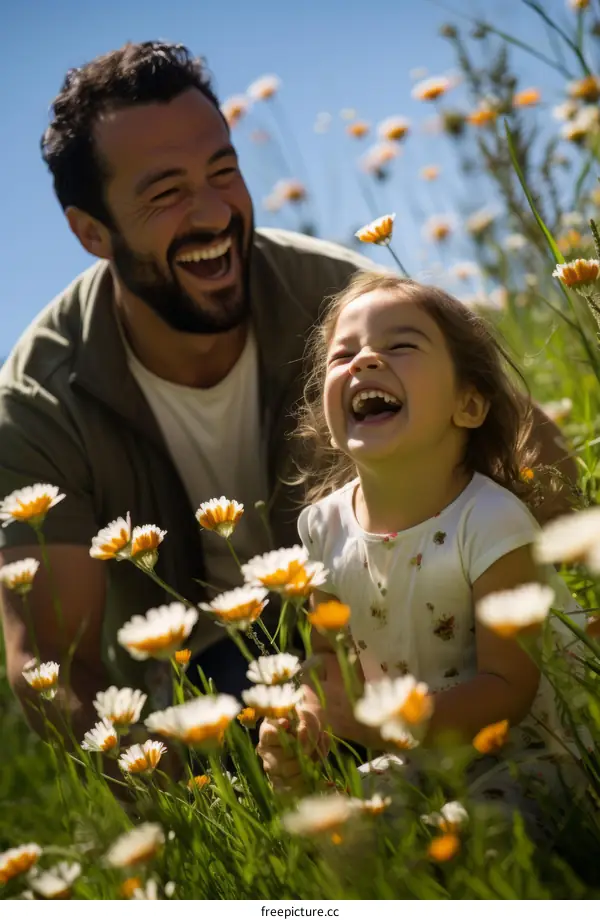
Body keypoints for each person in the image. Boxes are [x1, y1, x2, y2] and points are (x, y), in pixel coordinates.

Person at [0, 42, 575, 749]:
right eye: (166, 193)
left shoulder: (344, 303)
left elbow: (537, 457)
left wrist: (548, 652)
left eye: (224, 172)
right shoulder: (39, 402)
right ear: (92, 232)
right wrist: (186, 807)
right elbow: (51, 665)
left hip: (401, 614)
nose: (214, 213)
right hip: (203, 679)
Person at [257, 271, 586, 819]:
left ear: (469, 406)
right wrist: (307, 715)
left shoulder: (491, 521)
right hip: (416, 753)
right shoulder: (323, 528)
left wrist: (386, 723)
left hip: (529, 751)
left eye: (400, 345)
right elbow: (327, 659)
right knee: (341, 833)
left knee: (484, 834)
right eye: (343, 356)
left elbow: (510, 687)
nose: (363, 361)